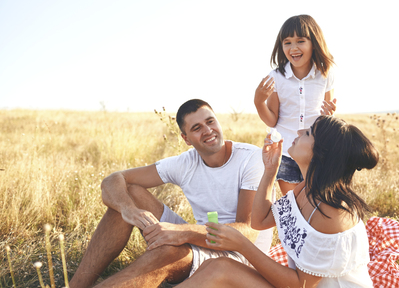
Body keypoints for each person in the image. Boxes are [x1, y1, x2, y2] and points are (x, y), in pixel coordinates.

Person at [69, 99, 272, 288]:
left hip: (241, 257)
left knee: (167, 252)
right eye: (197, 128)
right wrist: (128, 210)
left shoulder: (250, 159)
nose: (208, 130)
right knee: (128, 194)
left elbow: (248, 231)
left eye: (210, 121)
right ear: (186, 139)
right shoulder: (186, 162)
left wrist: (181, 233)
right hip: (202, 242)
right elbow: (113, 180)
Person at [177, 115, 379, 288]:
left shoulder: (333, 213)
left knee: (219, 269)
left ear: (321, 154)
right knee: (216, 266)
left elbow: (301, 284)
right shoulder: (307, 188)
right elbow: (261, 220)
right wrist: (270, 171)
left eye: (308, 133)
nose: (299, 132)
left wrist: (242, 244)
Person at [254, 14, 338, 196]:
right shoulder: (276, 77)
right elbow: (272, 119)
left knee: (317, 199)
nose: (293, 48)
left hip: (315, 149)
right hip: (286, 152)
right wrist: (258, 101)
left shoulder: (325, 74)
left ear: (314, 43)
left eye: (300, 41)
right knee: (293, 202)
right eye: (287, 42)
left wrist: (329, 115)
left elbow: (326, 113)